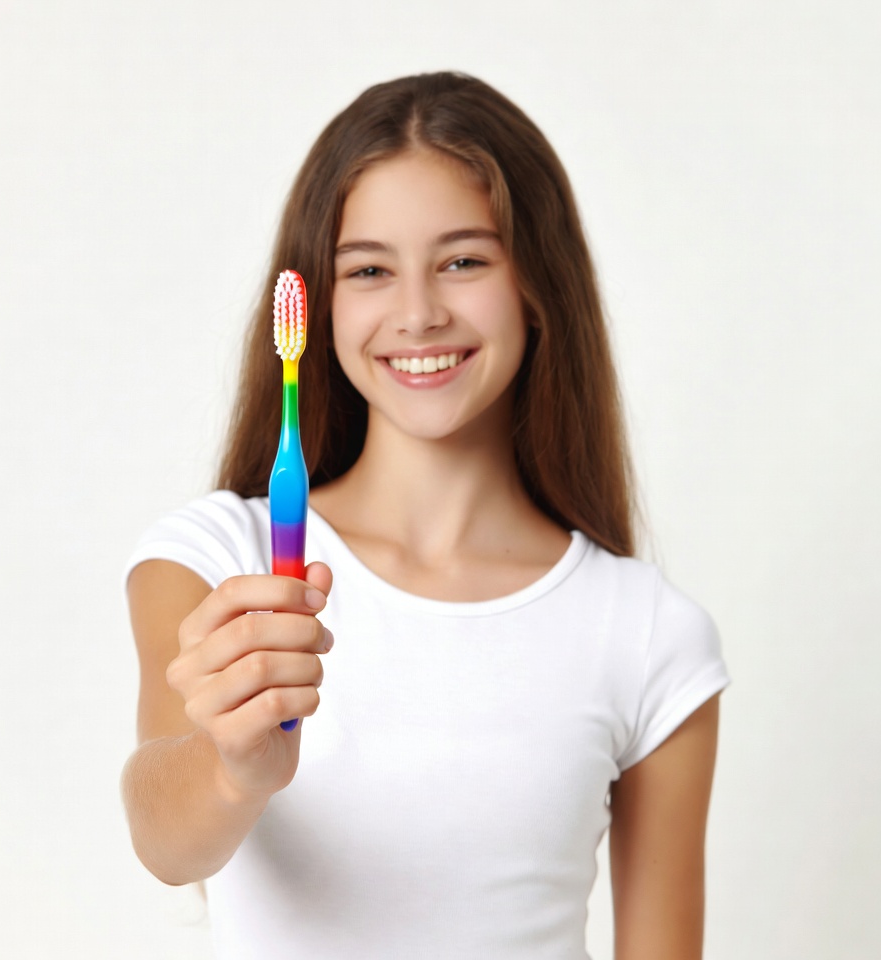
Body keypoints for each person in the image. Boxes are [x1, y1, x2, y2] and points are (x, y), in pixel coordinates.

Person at [121, 72, 730, 960]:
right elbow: (163, 844)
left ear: (536, 284)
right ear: (318, 306)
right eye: (369, 269)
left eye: (463, 260)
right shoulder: (216, 557)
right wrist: (231, 766)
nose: (417, 313)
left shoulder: (649, 636)